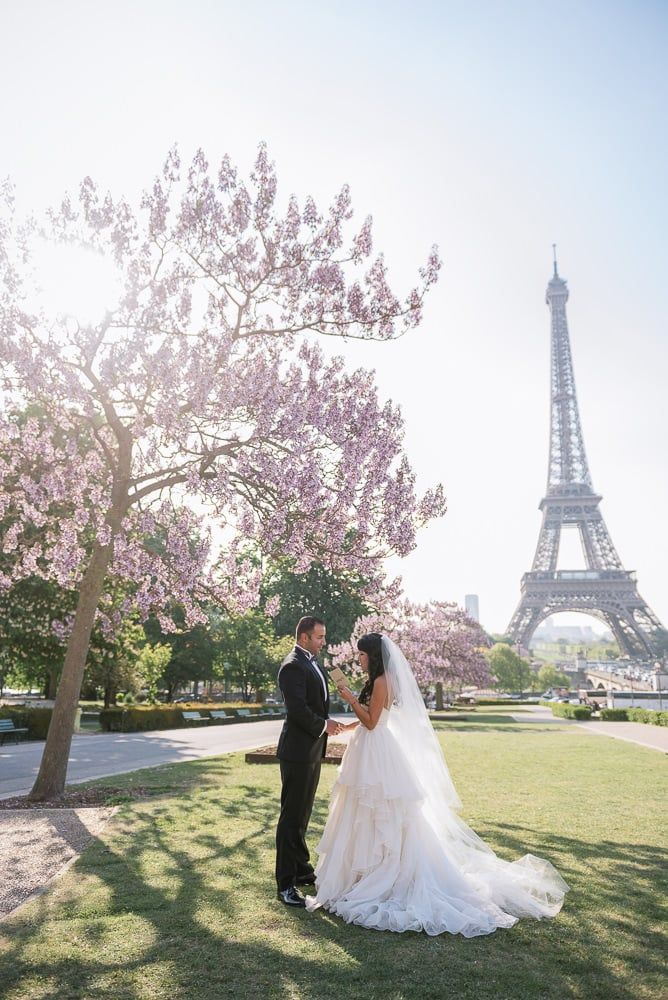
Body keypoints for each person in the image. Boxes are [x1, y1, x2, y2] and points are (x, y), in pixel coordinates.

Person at [305, 633, 569, 936]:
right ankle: (361, 873)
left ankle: (380, 873)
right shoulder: (376, 680)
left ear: (374, 656)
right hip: (368, 748)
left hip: (377, 752)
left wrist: (349, 698)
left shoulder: (383, 681)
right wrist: (347, 722)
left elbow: (374, 721)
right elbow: (368, 718)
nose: (359, 659)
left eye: (363, 655)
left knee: (381, 812)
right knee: (362, 813)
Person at [275, 616, 343, 907]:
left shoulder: (311, 663)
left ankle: (302, 871)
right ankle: (285, 883)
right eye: (319, 637)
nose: (323, 642)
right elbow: (297, 710)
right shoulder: (292, 665)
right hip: (297, 752)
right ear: (304, 638)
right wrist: (323, 725)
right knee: (292, 818)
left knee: (302, 815)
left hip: (311, 750)